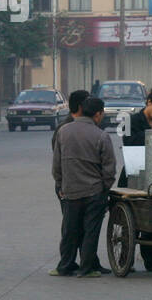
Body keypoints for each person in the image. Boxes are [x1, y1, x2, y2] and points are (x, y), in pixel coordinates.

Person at [52, 96, 117, 278]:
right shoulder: (101, 135)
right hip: (94, 191)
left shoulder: (63, 132)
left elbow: (56, 164)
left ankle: (65, 266)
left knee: (70, 229)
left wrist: (60, 184)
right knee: (91, 231)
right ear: (98, 114)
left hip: (70, 190)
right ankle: (86, 268)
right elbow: (109, 168)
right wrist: (104, 188)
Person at [118, 87, 152, 272]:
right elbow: (127, 142)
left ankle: (151, 259)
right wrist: (150, 133)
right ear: (149, 101)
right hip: (133, 176)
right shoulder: (128, 120)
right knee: (130, 222)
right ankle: (125, 260)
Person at [50, 89, 94, 276]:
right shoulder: (65, 128)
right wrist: (61, 185)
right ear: (81, 106)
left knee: (85, 227)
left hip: (82, 184)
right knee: (71, 227)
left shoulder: (87, 125)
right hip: (69, 185)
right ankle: (67, 263)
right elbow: (58, 160)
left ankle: (89, 262)